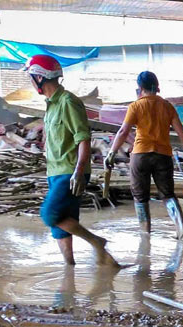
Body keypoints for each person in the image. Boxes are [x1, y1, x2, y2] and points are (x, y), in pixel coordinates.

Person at [24, 54, 120, 268]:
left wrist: (78, 172)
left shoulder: (68, 101)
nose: (30, 82)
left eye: (31, 77)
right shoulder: (50, 105)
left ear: (39, 78)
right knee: (62, 223)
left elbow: (83, 137)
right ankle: (71, 268)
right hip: (55, 171)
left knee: (49, 214)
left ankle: (96, 241)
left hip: (70, 171)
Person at [107, 71, 183, 238]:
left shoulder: (136, 106)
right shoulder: (167, 106)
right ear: (156, 86)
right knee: (168, 195)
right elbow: (181, 132)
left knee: (140, 197)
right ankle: (181, 227)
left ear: (140, 88)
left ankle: (145, 233)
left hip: (141, 155)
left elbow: (123, 131)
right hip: (163, 155)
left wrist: (111, 152)